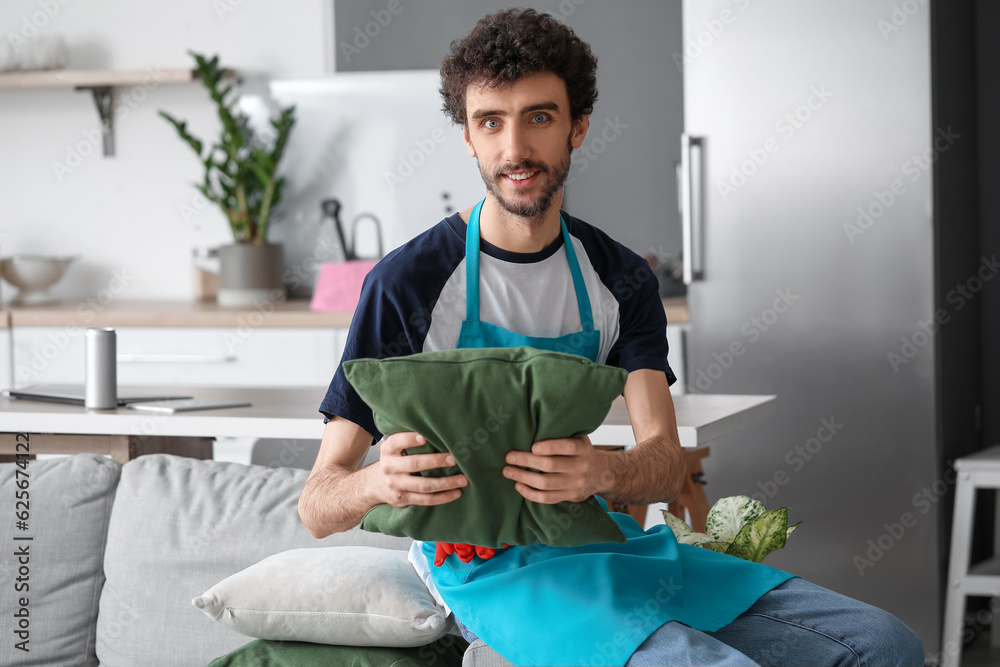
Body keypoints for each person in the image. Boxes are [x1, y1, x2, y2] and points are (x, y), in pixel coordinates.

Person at [299, 8, 924, 666]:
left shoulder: (620, 277)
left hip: (612, 544)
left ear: (578, 127)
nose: (515, 149)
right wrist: (375, 484)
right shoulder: (406, 283)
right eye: (491, 122)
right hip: (488, 571)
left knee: (885, 645)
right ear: (469, 139)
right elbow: (318, 503)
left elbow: (664, 458)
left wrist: (611, 469)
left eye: (539, 117)